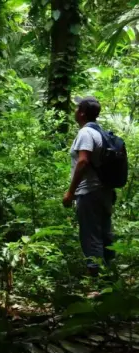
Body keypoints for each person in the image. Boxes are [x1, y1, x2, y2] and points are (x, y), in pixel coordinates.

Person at [63, 96, 114, 276]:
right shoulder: (100, 132)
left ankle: (96, 282)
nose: (75, 110)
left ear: (82, 113)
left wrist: (70, 192)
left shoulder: (85, 133)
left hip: (89, 192)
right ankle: (110, 279)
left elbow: (83, 161)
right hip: (104, 191)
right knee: (105, 234)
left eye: (77, 108)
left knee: (90, 236)